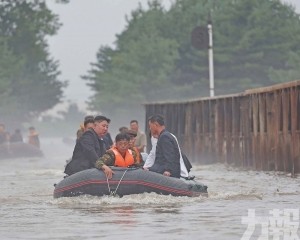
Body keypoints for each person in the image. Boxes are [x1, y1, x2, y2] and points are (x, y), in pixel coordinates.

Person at [147, 114, 189, 178]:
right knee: (148, 169)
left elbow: (170, 155)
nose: (150, 128)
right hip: (161, 167)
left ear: (155, 125)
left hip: (168, 171)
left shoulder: (164, 137)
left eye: (150, 126)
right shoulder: (165, 135)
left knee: (148, 171)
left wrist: (168, 170)